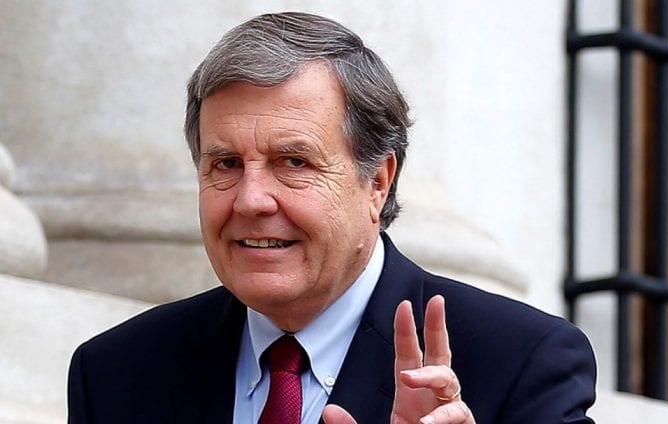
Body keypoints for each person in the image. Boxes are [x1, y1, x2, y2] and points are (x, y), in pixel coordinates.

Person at [67, 11, 596, 424]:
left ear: (377, 182)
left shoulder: (521, 361)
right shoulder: (116, 373)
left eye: (293, 162)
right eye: (226, 164)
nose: (251, 200)